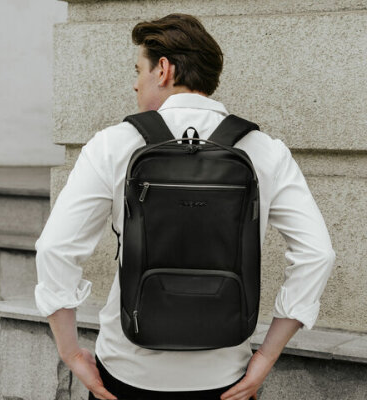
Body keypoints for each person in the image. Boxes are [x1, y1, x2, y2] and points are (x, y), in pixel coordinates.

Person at [34, 13, 336, 400]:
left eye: (138, 70)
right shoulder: (266, 150)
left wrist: (70, 351)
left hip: (127, 371)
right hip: (225, 378)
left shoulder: (112, 145)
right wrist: (267, 355)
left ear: (163, 69)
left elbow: (55, 249)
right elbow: (317, 255)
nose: (135, 83)